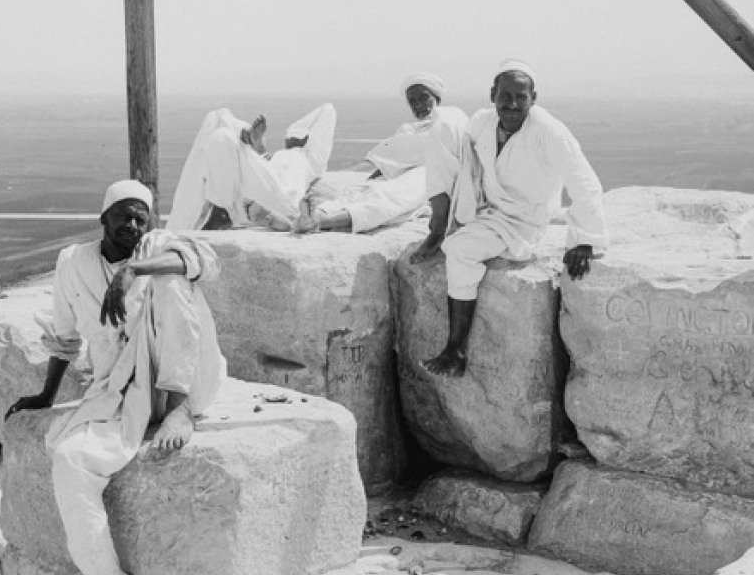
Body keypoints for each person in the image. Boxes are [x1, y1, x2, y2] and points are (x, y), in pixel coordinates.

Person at [5, 180, 226, 575]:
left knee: (169, 279)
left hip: (184, 380)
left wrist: (134, 271)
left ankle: (182, 411)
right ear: (102, 218)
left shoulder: (158, 246)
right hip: (121, 392)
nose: (132, 225)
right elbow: (65, 337)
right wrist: (46, 395)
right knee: (69, 459)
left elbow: (207, 263)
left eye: (140, 217)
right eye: (122, 216)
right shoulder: (73, 263)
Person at [418, 59, 607, 378]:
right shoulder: (480, 123)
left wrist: (586, 241)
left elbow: (584, 183)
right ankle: (442, 229)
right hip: (488, 211)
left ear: (534, 98)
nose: (512, 104)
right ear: (492, 94)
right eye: (505, 95)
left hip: (524, 221)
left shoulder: (549, 131)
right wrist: (459, 211)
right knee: (438, 139)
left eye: (521, 97)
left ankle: (456, 351)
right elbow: (467, 168)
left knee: (460, 250)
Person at [292, 73, 468, 234]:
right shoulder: (407, 130)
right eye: (412, 101)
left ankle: (324, 220)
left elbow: (436, 150)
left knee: (395, 196)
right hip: (402, 174)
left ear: (436, 97)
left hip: (436, 175)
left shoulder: (452, 117)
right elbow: (393, 161)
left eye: (424, 98)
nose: (419, 105)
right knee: (366, 190)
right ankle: (313, 215)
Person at [167, 104, 337, 232]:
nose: (291, 138)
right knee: (220, 131)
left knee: (219, 123)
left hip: (277, 200)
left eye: (298, 137)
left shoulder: (307, 160)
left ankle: (223, 211)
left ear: (309, 142)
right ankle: (223, 210)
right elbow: (260, 173)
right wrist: (261, 155)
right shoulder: (278, 156)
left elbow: (327, 111)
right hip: (251, 197)